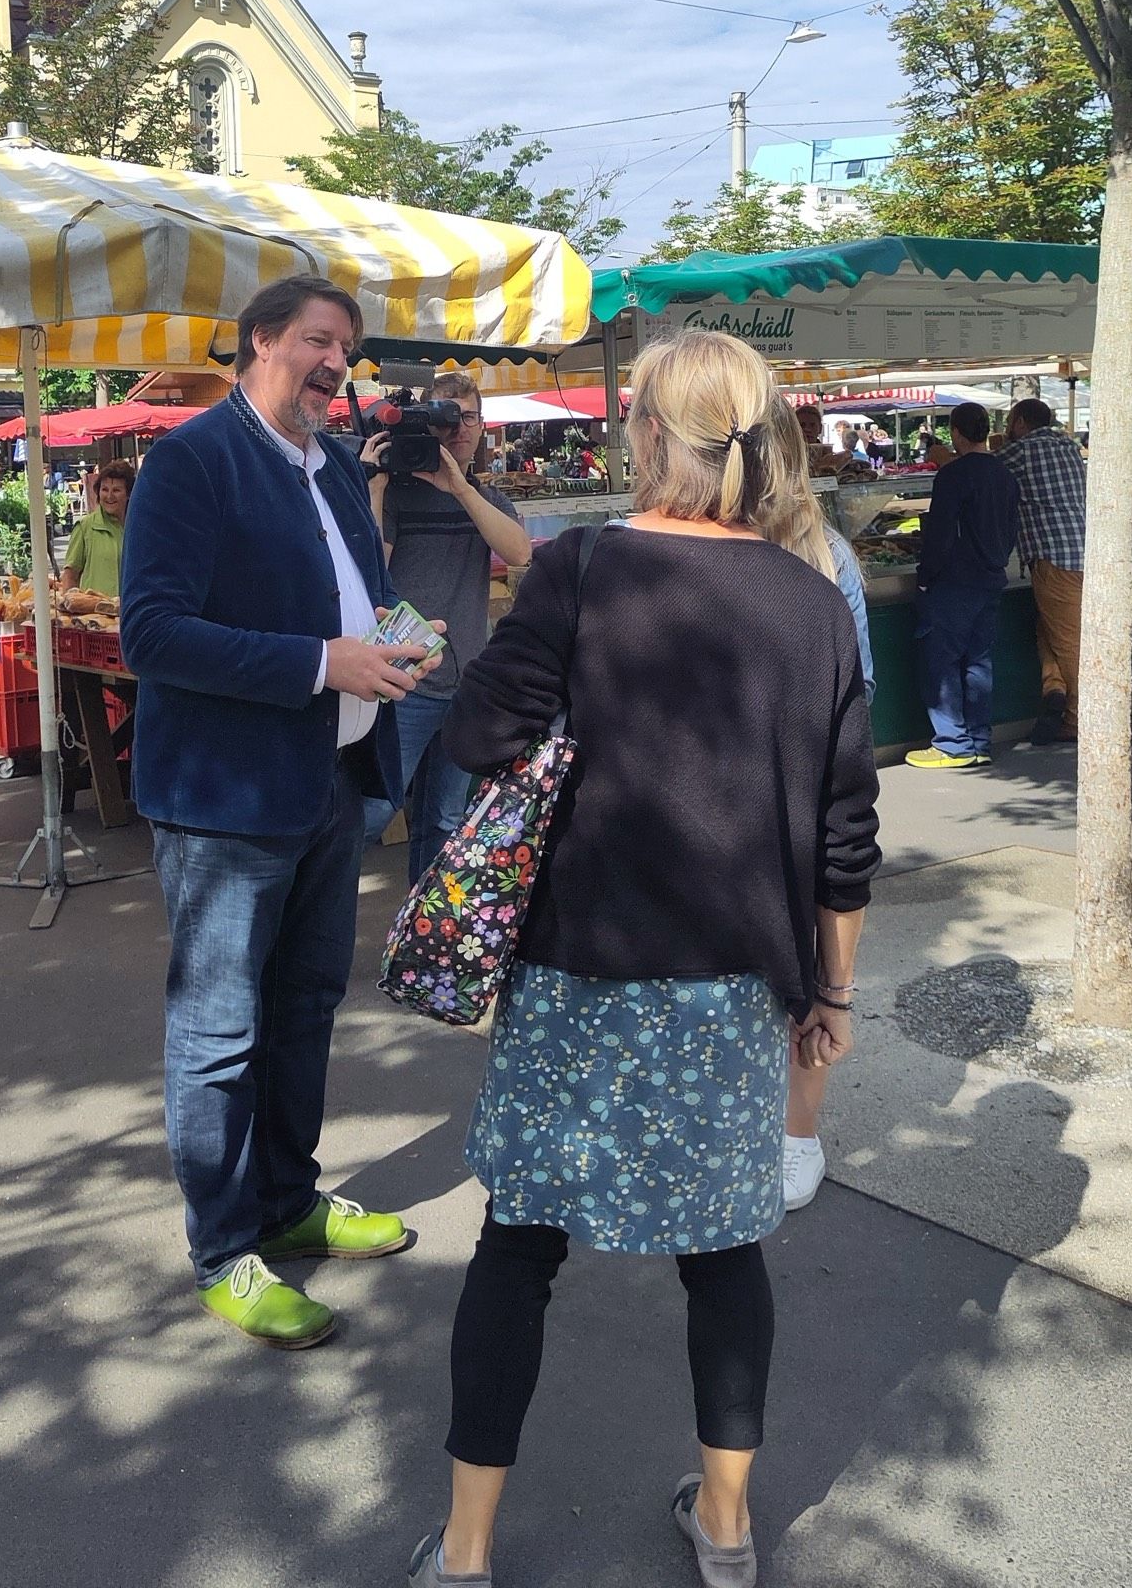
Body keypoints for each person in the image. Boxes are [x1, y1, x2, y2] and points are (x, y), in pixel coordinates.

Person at [408, 328, 880, 1588]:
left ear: (651, 435)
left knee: (518, 1247)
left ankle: (463, 1553)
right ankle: (725, 1529)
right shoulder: (815, 597)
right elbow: (846, 837)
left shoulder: (580, 570)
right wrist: (831, 992)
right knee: (725, 1254)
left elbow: (476, 734)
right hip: (736, 987)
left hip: (577, 972)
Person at [120, 275, 437, 1352]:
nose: (335, 361)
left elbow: (348, 596)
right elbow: (152, 633)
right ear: (258, 342)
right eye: (316, 339)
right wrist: (322, 661)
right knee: (218, 1029)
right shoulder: (192, 460)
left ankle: (290, 1197)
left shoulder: (335, 463)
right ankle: (224, 1248)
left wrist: (393, 633)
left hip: (329, 783)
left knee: (305, 1004)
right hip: (225, 799)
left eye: (344, 347)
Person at [757, 397, 877, 1212]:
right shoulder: (827, 554)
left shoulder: (821, 554)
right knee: (813, 971)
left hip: (752, 813)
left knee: (787, 973)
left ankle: (793, 1136)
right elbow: (861, 694)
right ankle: (796, 1137)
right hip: (811, 807)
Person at [360, 373, 532, 883]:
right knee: (373, 812)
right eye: (445, 418)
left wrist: (459, 486)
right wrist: (375, 486)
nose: (458, 430)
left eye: (468, 418)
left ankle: (423, 939)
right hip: (404, 683)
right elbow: (370, 571)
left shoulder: (483, 498)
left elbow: (519, 551)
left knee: (445, 821)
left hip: (465, 686)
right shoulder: (396, 495)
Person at [905, 402, 1019, 772]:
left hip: (954, 581)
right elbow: (1012, 527)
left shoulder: (953, 475)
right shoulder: (1004, 473)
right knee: (978, 661)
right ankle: (979, 741)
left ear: (955, 432)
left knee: (942, 662)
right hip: (990, 577)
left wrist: (925, 577)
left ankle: (952, 743)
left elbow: (939, 533)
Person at [997, 398, 1088, 746]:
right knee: (1047, 629)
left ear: (1020, 422)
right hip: (1081, 550)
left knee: (1068, 641)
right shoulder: (1067, 445)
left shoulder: (1021, 452)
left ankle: (1078, 718)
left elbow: (980, 467)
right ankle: (1055, 688)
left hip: (1053, 557)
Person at [59, 459, 133, 598]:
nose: (109, 496)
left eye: (116, 490)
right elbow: (70, 576)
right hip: (93, 616)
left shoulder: (137, 528)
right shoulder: (85, 527)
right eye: (104, 489)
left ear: (128, 494)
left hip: (130, 614)